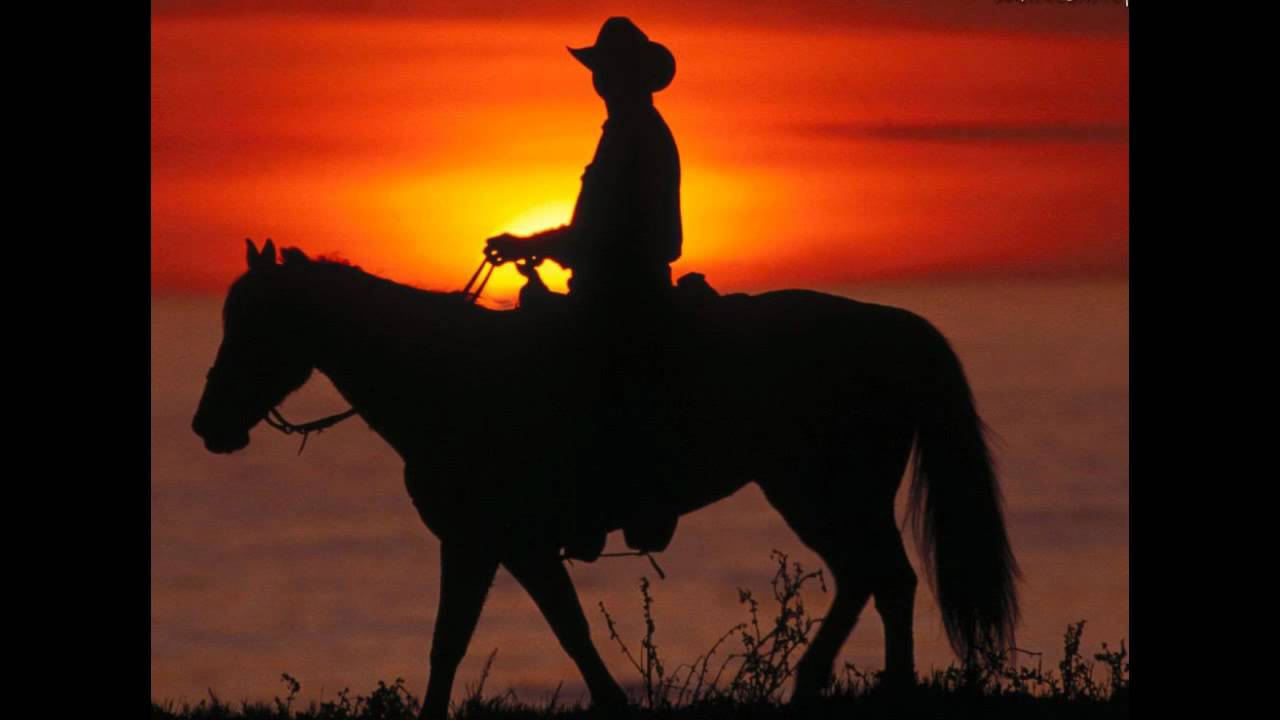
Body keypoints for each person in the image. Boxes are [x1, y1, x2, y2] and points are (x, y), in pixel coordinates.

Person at [485, 17, 682, 562]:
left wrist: (533, 245)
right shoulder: (629, 129)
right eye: (600, 71)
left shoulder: (632, 133)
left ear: (624, 76)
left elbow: (606, 230)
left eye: (607, 71)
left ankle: (594, 504)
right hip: (617, 278)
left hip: (624, 285)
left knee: (565, 375)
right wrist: (538, 245)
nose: (600, 81)